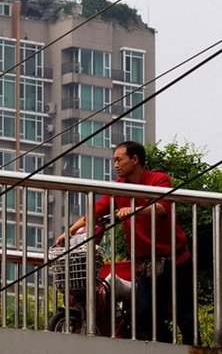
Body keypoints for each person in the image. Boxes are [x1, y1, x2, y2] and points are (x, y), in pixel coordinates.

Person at [57, 141, 195, 344]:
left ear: (135, 159)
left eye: (119, 160)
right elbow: (95, 212)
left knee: (185, 315)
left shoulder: (159, 180)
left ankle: (195, 348)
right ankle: (169, 347)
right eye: (114, 160)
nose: (115, 165)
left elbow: (163, 207)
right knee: (142, 311)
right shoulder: (119, 187)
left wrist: (134, 209)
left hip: (176, 261)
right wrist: (70, 231)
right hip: (146, 265)